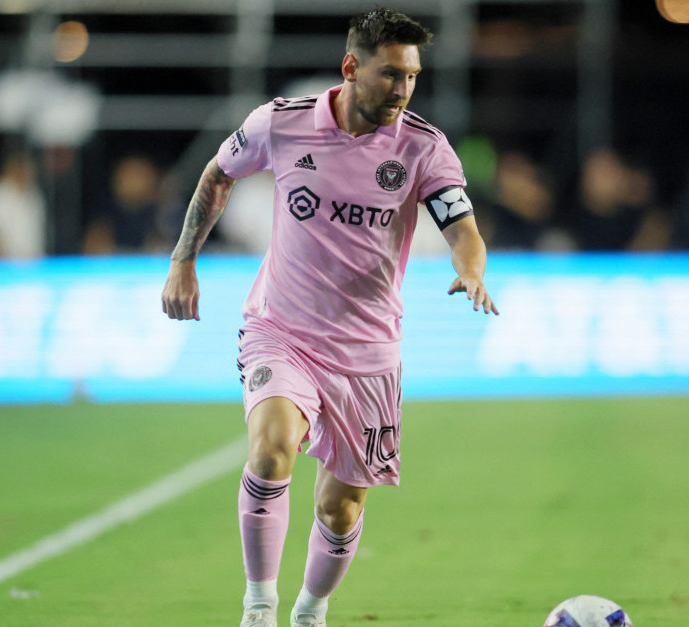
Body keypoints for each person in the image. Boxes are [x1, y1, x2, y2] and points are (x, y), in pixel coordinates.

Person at [160, 9, 498, 627]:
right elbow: (218, 173)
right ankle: (258, 607)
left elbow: (463, 227)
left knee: (340, 509)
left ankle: (310, 612)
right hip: (280, 330)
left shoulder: (423, 146)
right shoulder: (281, 124)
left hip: (368, 353)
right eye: (391, 74)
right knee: (271, 451)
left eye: (412, 76)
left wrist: (471, 266)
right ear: (352, 67)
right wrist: (184, 259)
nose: (402, 89)